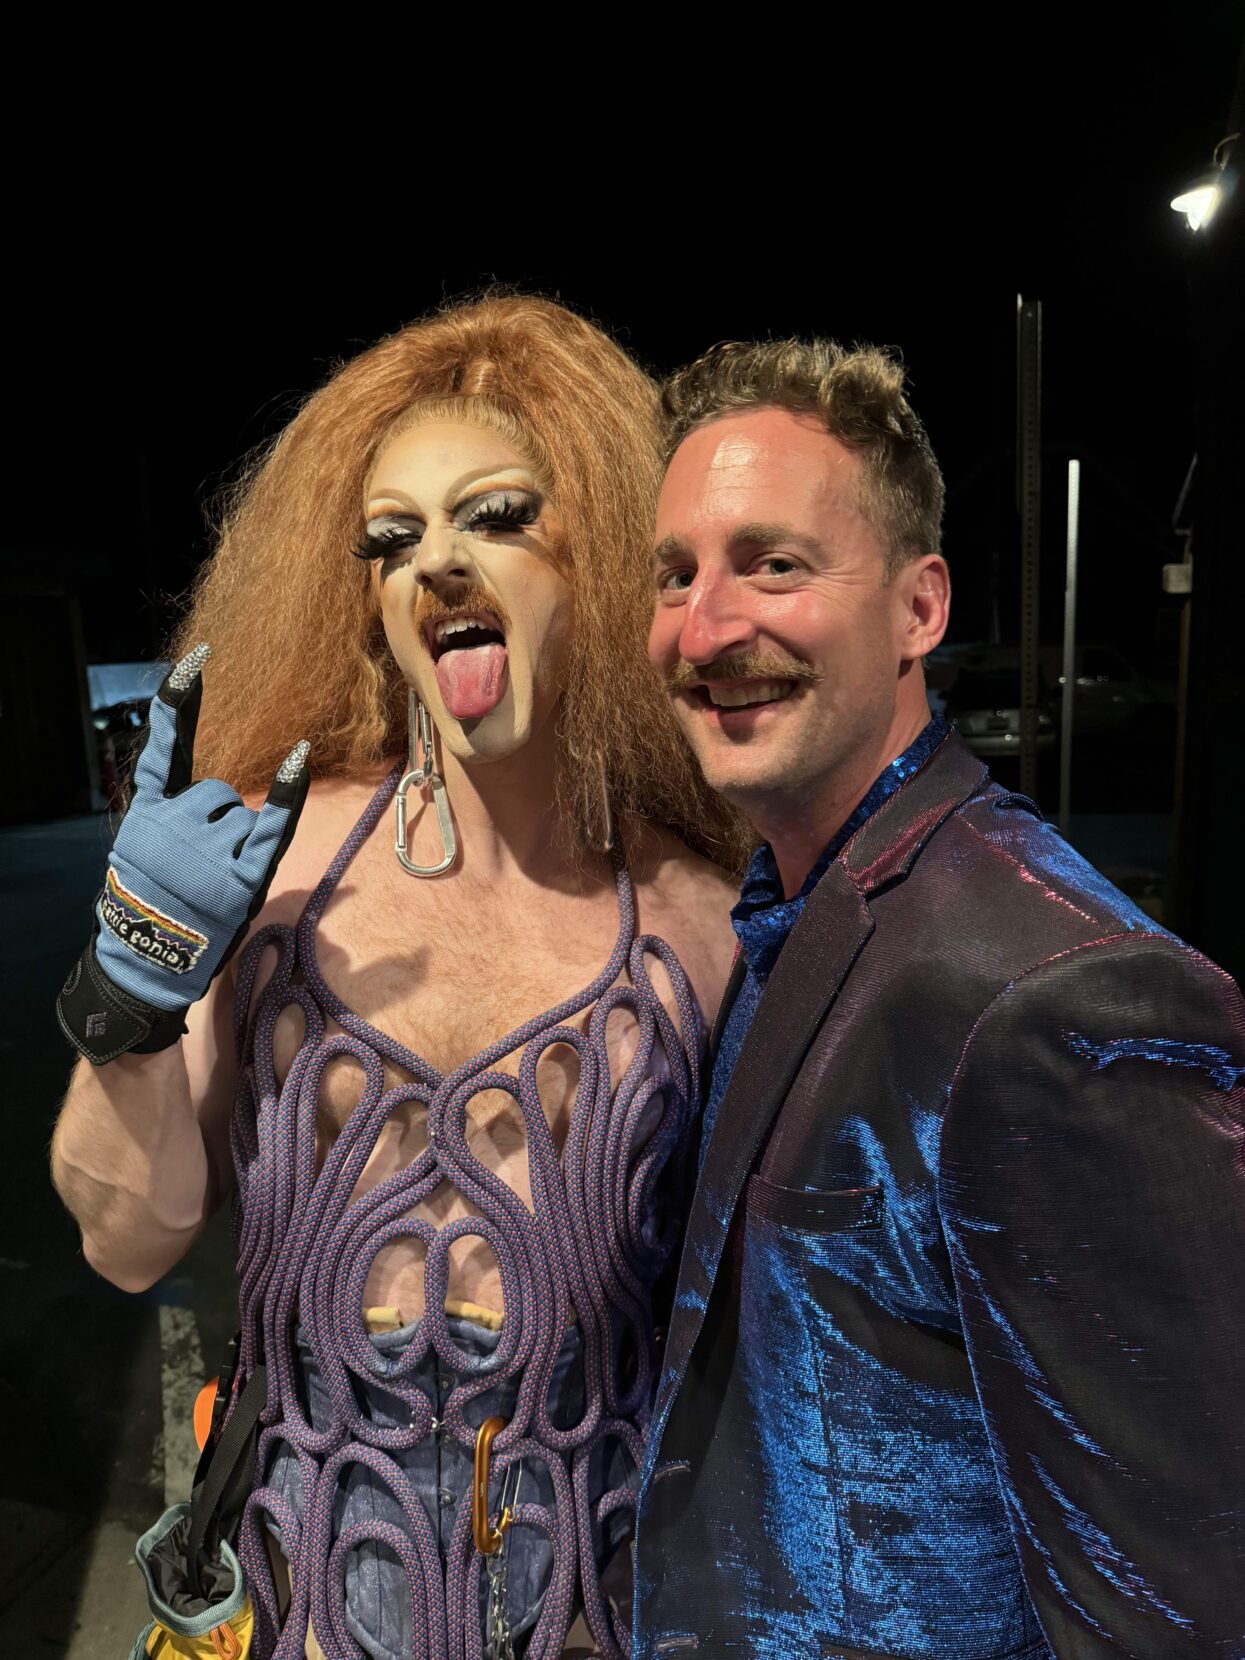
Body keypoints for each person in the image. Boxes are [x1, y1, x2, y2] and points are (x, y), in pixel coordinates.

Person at [51, 295, 744, 1660]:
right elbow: (123, 1244)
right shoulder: (275, 874)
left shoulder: (696, 917)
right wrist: (127, 994)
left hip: (593, 1607)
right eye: (394, 537)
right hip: (302, 1592)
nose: (436, 563)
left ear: (598, 552)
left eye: (494, 516)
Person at [634, 338, 1245, 1658]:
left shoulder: (1061, 996)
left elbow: (1179, 1602)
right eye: (674, 573)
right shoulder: (810, 903)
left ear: (919, 608)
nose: (705, 625)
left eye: (773, 563)